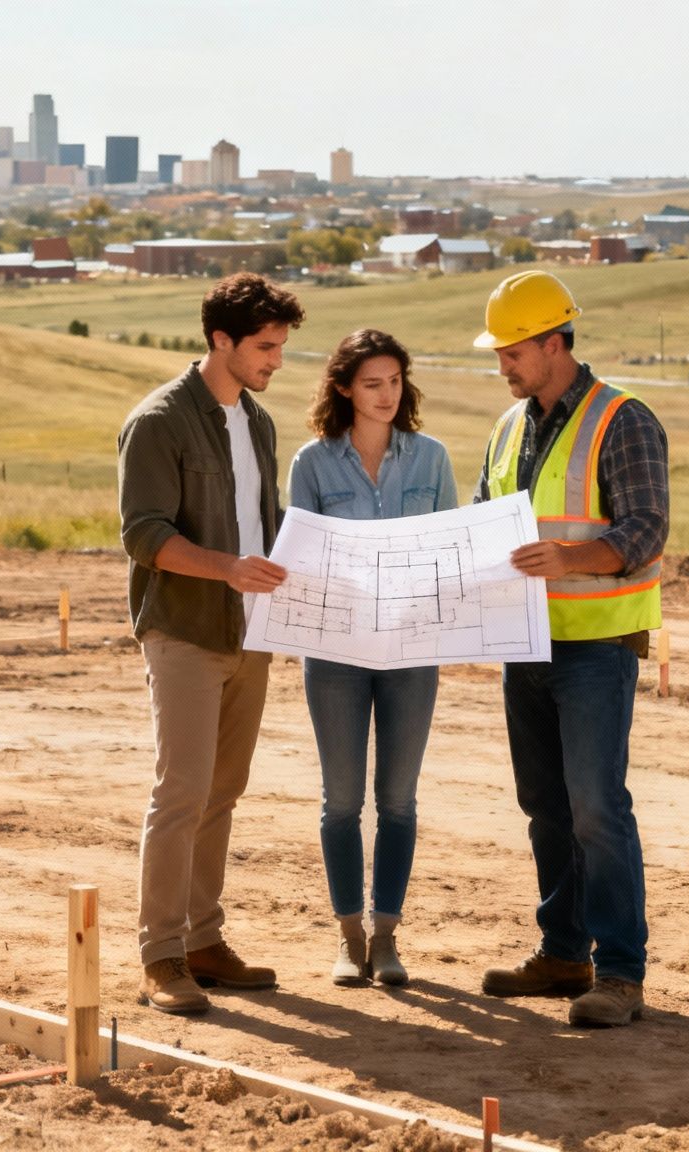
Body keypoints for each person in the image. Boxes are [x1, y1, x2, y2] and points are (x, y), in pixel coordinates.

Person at [470, 271, 669, 1028]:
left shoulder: (623, 419)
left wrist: (570, 560)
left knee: (596, 809)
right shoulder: (508, 427)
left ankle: (619, 973)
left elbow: (647, 528)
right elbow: (488, 522)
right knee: (546, 808)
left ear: (556, 343)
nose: (504, 366)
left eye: (513, 351)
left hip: (595, 646)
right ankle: (563, 954)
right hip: (525, 644)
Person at [117, 271, 305, 1015]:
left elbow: (268, 521)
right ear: (221, 340)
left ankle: (203, 938)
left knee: (223, 793)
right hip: (186, 631)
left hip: (253, 635)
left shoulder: (257, 423)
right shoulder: (159, 421)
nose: (276, 360)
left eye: (282, 346)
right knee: (182, 791)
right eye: (265, 347)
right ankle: (160, 956)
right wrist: (226, 567)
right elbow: (144, 535)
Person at [286, 330, 458, 989]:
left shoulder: (432, 458)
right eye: (372, 384)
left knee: (399, 801)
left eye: (395, 382)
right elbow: (300, 560)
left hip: (413, 652)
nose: (387, 396)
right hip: (334, 654)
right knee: (341, 801)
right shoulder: (312, 464)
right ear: (343, 390)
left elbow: (450, 550)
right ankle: (348, 937)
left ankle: (387, 938)